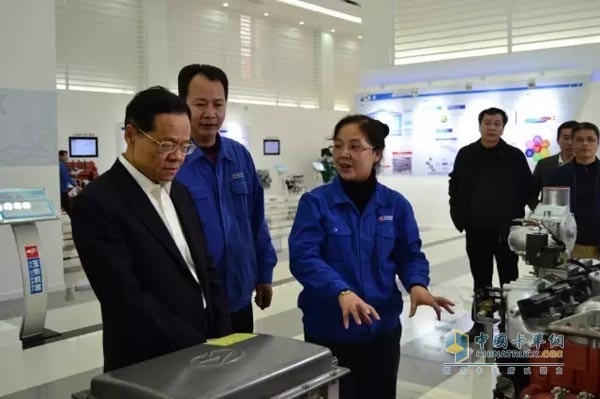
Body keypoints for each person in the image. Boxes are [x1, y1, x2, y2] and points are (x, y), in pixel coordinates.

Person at [289, 114, 454, 399]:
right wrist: (341, 292)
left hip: (381, 331)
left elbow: (409, 253)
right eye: (338, 146)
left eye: (355, 146)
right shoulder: (316, 203)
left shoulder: (395, 205)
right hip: (329, 331)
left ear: (376, 154)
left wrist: (417, 284)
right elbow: (304, 257)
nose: (343, 154)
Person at [71, 86, 231, 371]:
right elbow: (125, 298)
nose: (178, 157)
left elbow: (205, 266)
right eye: (167, 145)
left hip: (205, 348)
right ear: (131, 135)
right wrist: (195, 346)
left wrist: (220, 331)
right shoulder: (98, 203)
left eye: (185, 146)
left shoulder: (179, 193)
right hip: (148, 359)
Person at [176, 64, 277, 333]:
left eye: (218, 104)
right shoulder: (174, 162)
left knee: (242, 370)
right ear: (182, 103)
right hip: (194, 302)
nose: (211, 114)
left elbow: (256, 220)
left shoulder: (239, 156)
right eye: (200, 104)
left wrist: (264, 275)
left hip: (239, 296)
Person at [448, 107, 532, 338]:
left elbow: (528, 189)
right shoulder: (466, 154)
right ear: (480, 125)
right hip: (477, 230)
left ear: (503, 127)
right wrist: (459, 217)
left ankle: (507, 324)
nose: (492, 127)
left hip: (507, 232)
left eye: (497, 123)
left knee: (509, 280)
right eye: (488, 123)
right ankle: (482, 324)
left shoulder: (514, 156)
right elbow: (454, 187)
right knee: (481, 280)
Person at [549, 122, 600, 259]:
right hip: (570, 245)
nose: (585, 143)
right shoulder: (558, 175)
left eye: (590, 139)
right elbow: (550, 211)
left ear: (598, 143)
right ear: (572, 142)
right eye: (579, 139)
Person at [531, 120, 578, 206]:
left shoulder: (589, 166)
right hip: (549, 216)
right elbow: (531, 194)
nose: (570, 143)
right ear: (558, 140)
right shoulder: (544, 164)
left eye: (575, 138)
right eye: (566, 138)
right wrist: (539, 211)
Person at [58, 150, 76, 216]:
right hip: (62, 190)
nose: (67, 158)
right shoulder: (61, 165)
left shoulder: (60, 165)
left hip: (61, 190)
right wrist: (75, 184)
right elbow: (66, 177)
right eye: (65, 156)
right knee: (70, 209)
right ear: (60, 156)